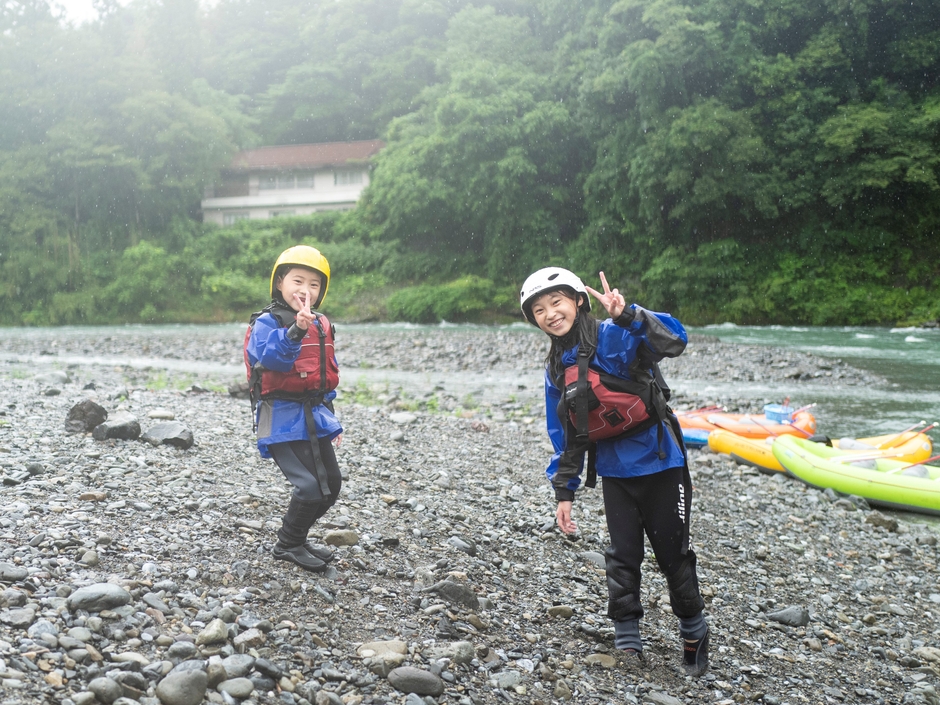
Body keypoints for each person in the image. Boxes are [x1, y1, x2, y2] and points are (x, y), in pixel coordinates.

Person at [520, 267, 709, 676]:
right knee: (622, 557)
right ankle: (628, 641)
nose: (550, 314)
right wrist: (564, 492)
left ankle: (694, 631)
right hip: (615, 471)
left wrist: (630, 315)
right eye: (539, 309)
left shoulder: (612, 334)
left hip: (660, 461)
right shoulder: (555, 368)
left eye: (557, 302)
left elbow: (675, 340)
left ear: (578, 301)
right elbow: (565, 435)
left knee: (672, 556)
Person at [244, 245, 343, 573]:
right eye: (298, 281)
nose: (305, 290)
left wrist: (331, 417)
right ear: (279, 284)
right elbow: (272, 359)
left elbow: (323, 374)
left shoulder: (321, 323)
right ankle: (287, 544)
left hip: (313, 414)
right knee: (310, 486)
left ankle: (297, 538)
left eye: (314, 285)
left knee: (331, 485)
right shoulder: (266, 322)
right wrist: (296, 329)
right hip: (282, 416)